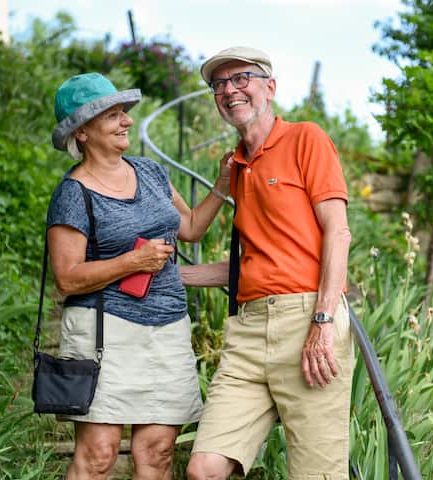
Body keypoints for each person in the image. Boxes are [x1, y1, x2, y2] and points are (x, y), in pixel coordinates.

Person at [46, 72, 232, 480]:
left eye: (124, 112)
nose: (127, 121)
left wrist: (221, 184)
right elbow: (67, 278)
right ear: (82, 132)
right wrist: (133, 262)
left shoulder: (150, 172)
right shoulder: (73, 193)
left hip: (168, 327)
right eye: (113, 115)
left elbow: (191, 228)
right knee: (99, 455)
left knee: (158, 452)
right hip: (104, 329)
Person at [182, 47, 353, 480]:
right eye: (219, 84)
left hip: (307, 318)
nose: (229, 90)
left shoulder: (306, 139)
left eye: (241, 78)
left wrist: (322, 320)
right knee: (204, 468)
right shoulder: (238, 167)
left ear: (270, 87)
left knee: (316, 476)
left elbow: (338, 232)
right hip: (249, 329)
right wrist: (173, 275)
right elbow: (254, 262)